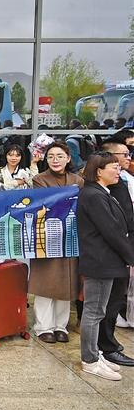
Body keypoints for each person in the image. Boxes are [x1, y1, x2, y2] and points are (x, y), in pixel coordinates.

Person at [77, 152, 134, 380]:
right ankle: (90, 360)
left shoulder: (102, 192)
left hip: (105, 261)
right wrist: (131, 257)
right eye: (113, 167)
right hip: (100, 261)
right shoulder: (93, 195)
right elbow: (112, 231)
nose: (118, 171)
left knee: (98, 311)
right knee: (93, 311)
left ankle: (94, 353)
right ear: (99, 171)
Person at [29, 141, 84, 344]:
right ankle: (43, 327)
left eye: (60, 156)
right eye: (51, 156)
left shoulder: (78, 180)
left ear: (68, 158)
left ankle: (61, 326)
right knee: (45, 283)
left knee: (66, 281)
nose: (55, 160)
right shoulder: (40, 179)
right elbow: (47, 204)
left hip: (70, 237)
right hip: (46, 237)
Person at [97, 140, 134, 366]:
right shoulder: (99, 192)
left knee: (116, 299)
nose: (128, 158)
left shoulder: (121, 182)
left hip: (123, 250)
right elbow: (112, 228)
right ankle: (106, 347)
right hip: (111, 254)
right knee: (106, 304)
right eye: (123, 155)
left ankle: (109, 344)